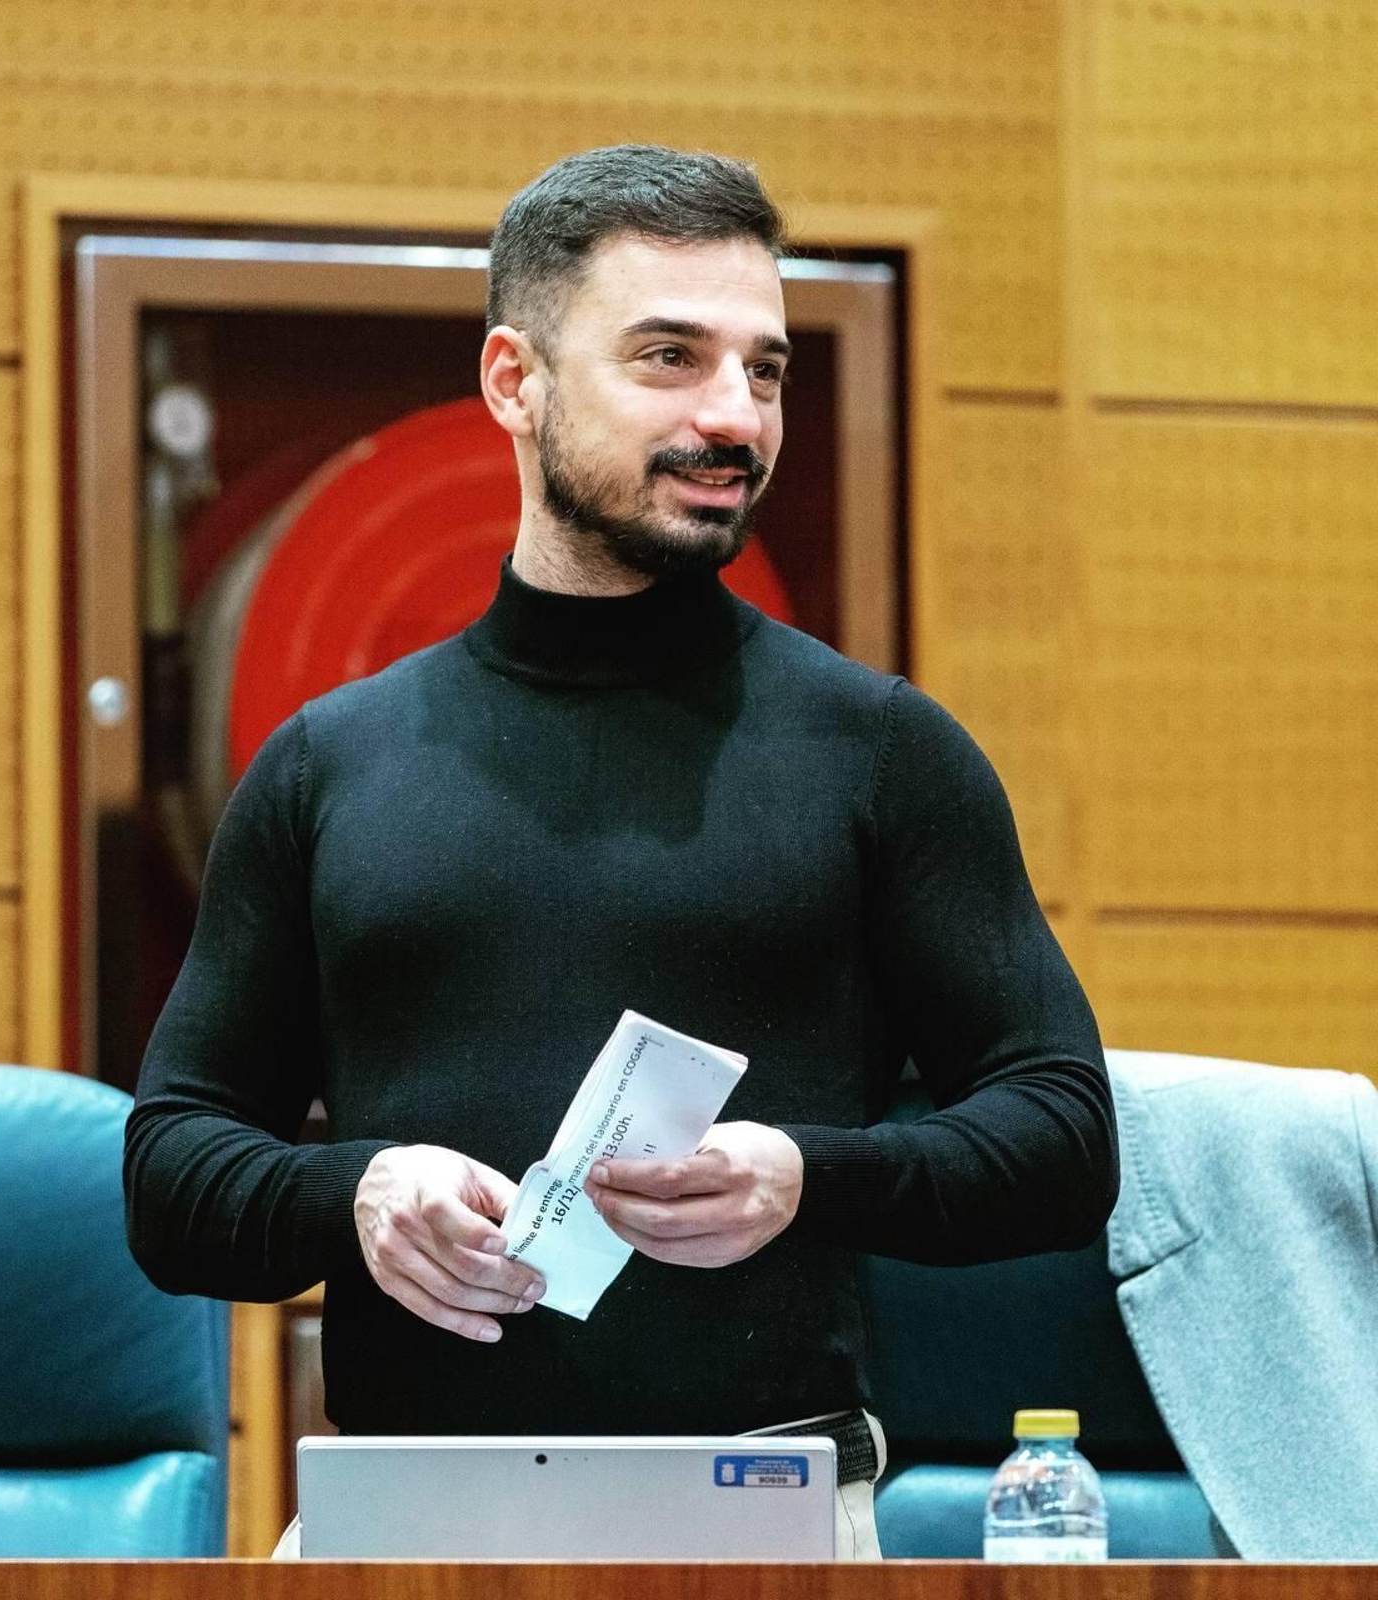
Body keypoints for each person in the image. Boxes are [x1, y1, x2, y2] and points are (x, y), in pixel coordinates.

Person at [124, 144, 1118, 1560]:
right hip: (407, 1520)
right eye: (671, 358)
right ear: (514, 382)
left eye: (764, 370)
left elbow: (1063, 1138)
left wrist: (805, 1176)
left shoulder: (884, 753)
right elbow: (170, 1175)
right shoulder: (328, 765)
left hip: (762, 1512)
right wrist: (353, 1191)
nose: (735, 417)